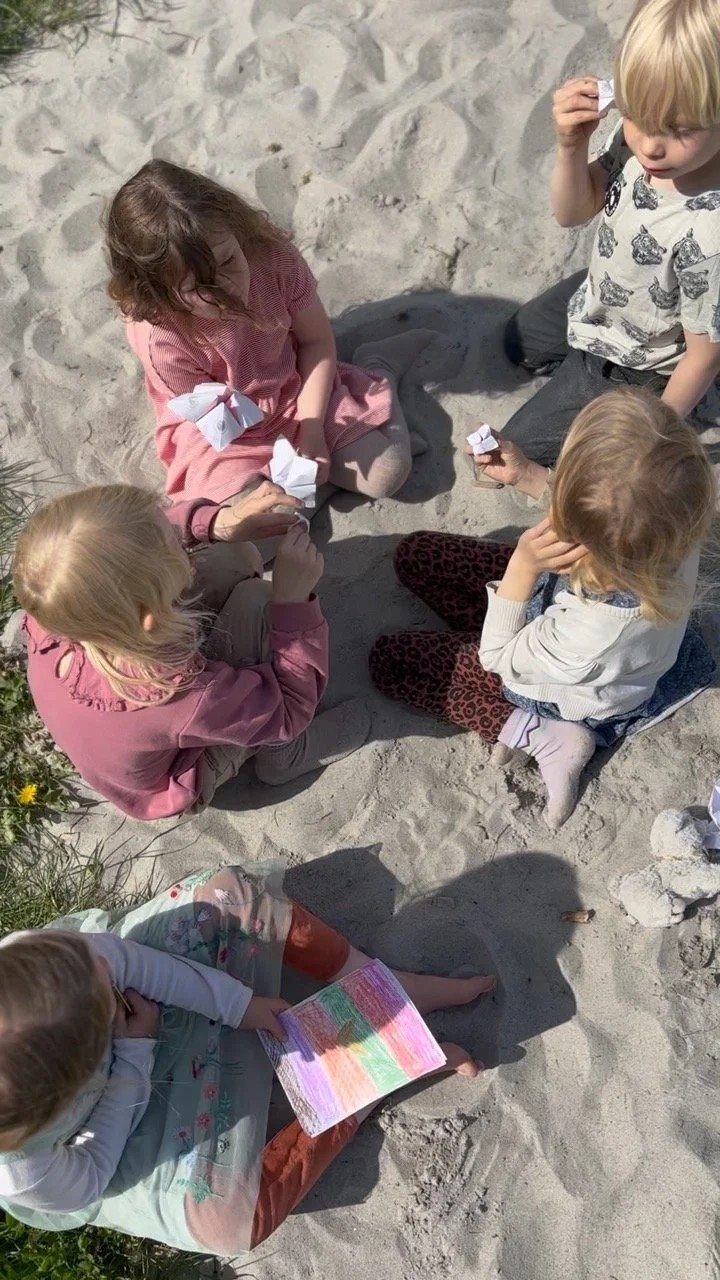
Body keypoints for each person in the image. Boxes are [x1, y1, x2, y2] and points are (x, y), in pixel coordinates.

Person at [0, 864, 493, 1253]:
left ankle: (380, 985)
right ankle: (368, 1081)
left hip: (138, 1017)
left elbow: (138, 967)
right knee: (226, 1220)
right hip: (122, 1123)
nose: (103, 968)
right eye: (101, 992)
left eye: (95, 972)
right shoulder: (22, 1170)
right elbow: (91, 1174)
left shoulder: (45, 963)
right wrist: (131, 1055)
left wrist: (239, 1005)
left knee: (230, 895)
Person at [370, 388, 716, 829]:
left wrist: (521, 569)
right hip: (570, 607)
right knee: (415, 556)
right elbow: (607, 505)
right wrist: (527, 474)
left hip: (565, 691)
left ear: (586, 534)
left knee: (392, 662)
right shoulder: (671, 523)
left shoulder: (597, 632)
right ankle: (505, 621)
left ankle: (545, 737)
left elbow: (496, 659)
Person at [12, 482, 370, 820]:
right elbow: (288, 710)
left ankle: (215, 563)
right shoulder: (175, 694)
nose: (176, 537)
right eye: (171, 545)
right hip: (185, 770)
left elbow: (143, 534)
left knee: (226, 547)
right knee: (259, 603)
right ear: (149, 617)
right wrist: (293, 604)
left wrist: (218, 522)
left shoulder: (60, 600)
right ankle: (284, 756)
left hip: (139, 706)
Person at [105, 159, 434, 506]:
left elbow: (316, 342)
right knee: (262, 531)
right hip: (227, 428)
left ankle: (378, 365)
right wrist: (281, 462)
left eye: (229, 261)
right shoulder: (162, 339)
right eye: (199, 286)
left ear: (233, 229)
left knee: (388, 473)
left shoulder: (273, 260)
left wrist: (310, 428)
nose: (227, 288)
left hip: (293, 384)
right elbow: (219, 423)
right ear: (159, 291)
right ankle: (329, 478)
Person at [502, 0, 720, 466]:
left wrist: (653, 433)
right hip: (611, 289)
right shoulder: (636, 135)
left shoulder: (711, 233)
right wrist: (570, 146)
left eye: (679, 128)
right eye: (637, 113)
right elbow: (571, 212)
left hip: (644, 360)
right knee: (518, 343)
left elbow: (703, 357)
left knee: (523, 449)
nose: (649, 143)